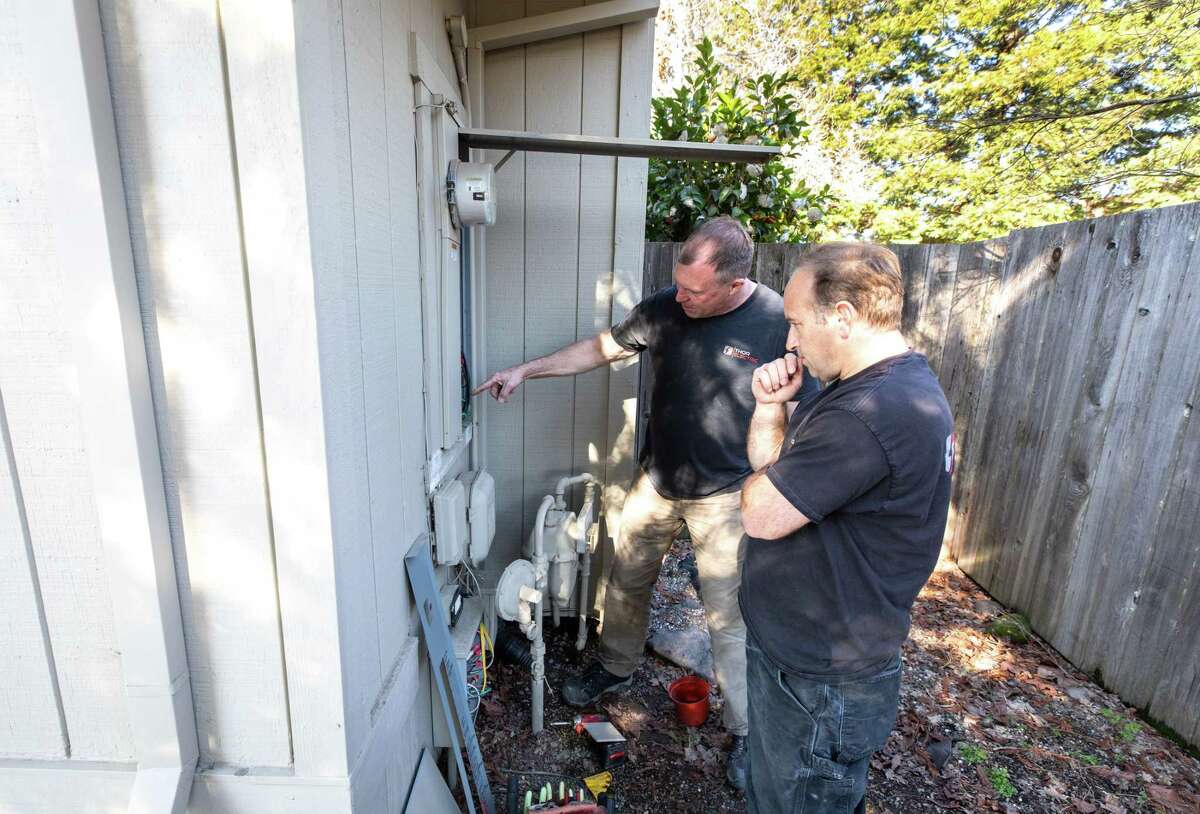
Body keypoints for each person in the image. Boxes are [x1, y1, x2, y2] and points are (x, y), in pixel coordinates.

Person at [473, 216, 818, 790]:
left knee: (728, 617)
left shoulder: (777, 323)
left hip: (729, 495)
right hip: (657, 481)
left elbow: (806, 410)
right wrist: (526, 370)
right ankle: (613, 667)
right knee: (625, 579)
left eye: (694, 290)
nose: (680, 297)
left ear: (735, 284)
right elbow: (602, 347)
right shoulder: (666, 308)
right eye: (678, 285)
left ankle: (748, 730)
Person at [738, 243, 954, 814]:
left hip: (819, 679)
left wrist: (761, 484)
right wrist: (769, 408)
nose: (789, 341)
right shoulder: (862, 391)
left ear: (843, 316)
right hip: (803, 656)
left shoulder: (872, 413)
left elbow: (760, 511)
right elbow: (777, 469)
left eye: (795, 322)